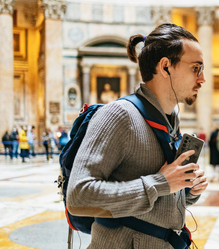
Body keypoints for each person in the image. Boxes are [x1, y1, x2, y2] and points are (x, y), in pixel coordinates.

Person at [67, 23, 208, 248]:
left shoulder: (170, 121)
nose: (202, 79)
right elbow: (78, 197)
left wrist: (187, 189)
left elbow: (160, 197)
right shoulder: (118, 115)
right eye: (196, 68)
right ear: (165, 67)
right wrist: (160, 183)